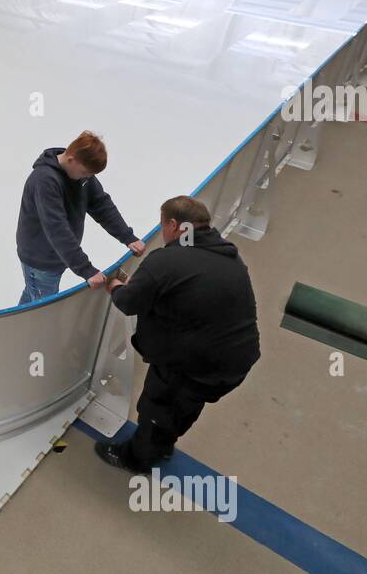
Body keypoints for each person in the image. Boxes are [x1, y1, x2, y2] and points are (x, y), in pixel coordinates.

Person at [96, 195, 260, 474]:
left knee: (158, 405)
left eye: (163, 226)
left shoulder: (165, 260)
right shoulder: (225, 252)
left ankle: (137, 458)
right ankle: (163, 443)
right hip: (237, 357)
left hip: (199, 362)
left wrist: (115, 287)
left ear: (174, 225)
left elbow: (128, 302)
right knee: (185, 406)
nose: (162, 233)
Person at [16, 131, 145, 305]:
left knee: (33, 296)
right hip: (41, 259)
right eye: (85, 173)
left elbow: (101, 205)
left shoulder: (81, 174)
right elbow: (57, 228)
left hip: (59, 254)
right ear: (71, 160)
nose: (87, 177)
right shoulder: (45, 180)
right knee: (41, 309)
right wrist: (86, 269)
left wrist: (127, 236)